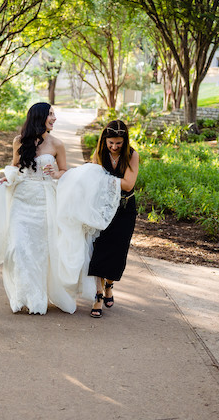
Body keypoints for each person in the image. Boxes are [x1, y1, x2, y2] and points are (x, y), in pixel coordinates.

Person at [0, 102, 73, 314]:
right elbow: (15, 166)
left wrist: (54, 173)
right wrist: (8, 178)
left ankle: (37, 298)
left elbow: (64, 171)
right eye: (50, 114)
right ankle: (19, 295)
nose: (54, 118)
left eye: (54, 114)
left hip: (43, 201)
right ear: (39, 117)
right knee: (17, 248)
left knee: (40, 251)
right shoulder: (19, 141)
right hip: (21, 199)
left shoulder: (57, 144)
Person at [87, 120, 139, 318]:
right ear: (105, 140)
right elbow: (92, 179)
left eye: (118, 143)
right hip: (102, 208)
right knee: (98, 250)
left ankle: (109, 285)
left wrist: (104, 179)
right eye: (111, 143)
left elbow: (127, 185)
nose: (114, 147)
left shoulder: (132, 155)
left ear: (125, 141)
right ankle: (98, 295)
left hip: (124, 210)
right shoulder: (99, 153)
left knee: (117, 253)